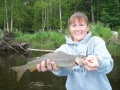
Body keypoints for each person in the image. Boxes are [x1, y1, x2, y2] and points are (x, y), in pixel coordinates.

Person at [36, 12, 113, 90]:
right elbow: (64, 71)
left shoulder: (96, 41)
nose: (78, 29)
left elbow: (109, 65)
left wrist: (98, 61)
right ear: (69, 28)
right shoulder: (64, 49)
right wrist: (56, 69)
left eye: (81, 25)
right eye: (74, 25)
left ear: (88, 27)